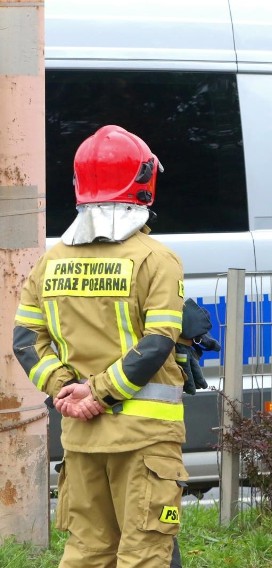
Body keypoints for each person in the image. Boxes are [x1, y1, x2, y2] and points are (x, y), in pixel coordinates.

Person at [12, 125, 190, 568]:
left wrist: (65, 391)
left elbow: (25, 342)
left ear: (79, 185)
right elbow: (157, 342)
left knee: (87, 555)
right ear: (144, 183)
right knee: (144, 555)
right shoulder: (156, 259)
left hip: (80, 438)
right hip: (145, 440)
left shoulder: (50, 262)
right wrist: (98, 392)